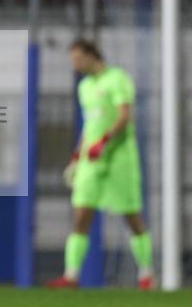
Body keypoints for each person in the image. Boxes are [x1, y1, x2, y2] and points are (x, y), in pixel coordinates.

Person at [46, 39, 154, 290]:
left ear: (90, 55)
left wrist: (104, 141)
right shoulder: (84, 87)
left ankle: (146, 273)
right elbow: (90, 125)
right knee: (81, 213)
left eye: (76, 59)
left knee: (131, 216)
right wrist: (77, 154)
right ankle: (71, 275)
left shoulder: (117, 79)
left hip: (119, 158)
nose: (74, 64)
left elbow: (124, 116)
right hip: (90, 159)